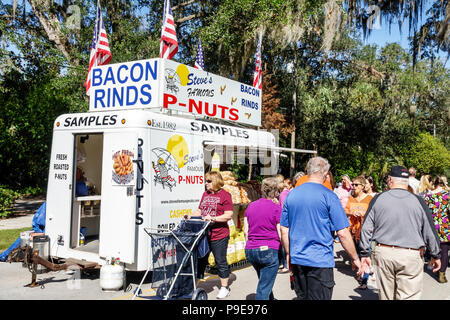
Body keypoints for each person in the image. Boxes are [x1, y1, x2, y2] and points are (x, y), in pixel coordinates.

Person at [281, 156, 363, 300]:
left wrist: (288, 253)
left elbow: (284, 229)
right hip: (320, 261)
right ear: (325, 174)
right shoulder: (329, 196)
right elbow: (343, 232)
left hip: (298, 259)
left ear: (308, 171)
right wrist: (355, 258)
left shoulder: (292, 195)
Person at [359, 165, 441, 300]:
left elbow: (366, 228)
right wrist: (435, 254)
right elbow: (429, 231)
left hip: (384, 252)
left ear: (390, 180)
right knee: (409, 295)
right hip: (411, 254)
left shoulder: (378, 199)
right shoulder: (418, 201)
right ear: (407, 181)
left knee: (386, 296)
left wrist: (364, 253)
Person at [189, 171, 233, 299]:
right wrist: (191, 215)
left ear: (215, 181)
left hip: (219, 234)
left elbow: (228, 215)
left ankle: (225, 287)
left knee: (220, 261)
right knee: (200, 260)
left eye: (208, 181)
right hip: (204, 234)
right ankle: (194, 287)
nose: (206, 183)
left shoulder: (225, 195)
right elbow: (200, 210)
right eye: (206, 181)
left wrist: (212, 218)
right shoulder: (205, 194)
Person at [243, 177, 282, 300]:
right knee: (264, 287)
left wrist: (248, 245)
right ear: (275, 192)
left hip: (251, 249)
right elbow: (281, 232)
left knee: (264, 281)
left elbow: (245, 231)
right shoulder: (277, 208)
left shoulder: (251, 206)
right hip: (269, 249)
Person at [344, 175, 373, 289]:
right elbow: (345, 210)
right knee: (356, 254)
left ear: (362, 186)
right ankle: (360, 272)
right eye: (353, 185)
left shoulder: (369, 199)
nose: (353, 187)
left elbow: (373, 214)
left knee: (365, 254)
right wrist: (352, 214)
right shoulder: (351, 198)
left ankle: (364, 279)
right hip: (353, 231)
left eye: (356, 185)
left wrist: (363, 215)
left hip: (365, 232)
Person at [423, 175, 450, 283]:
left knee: (434, 248)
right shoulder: (447, 196)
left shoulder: (427, 196)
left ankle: (433, 264)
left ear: (433, 184)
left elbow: (424, 213)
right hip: (445, 226)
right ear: (443, 184)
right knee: (444, 250)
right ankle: (442, 274)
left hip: (432, 226)